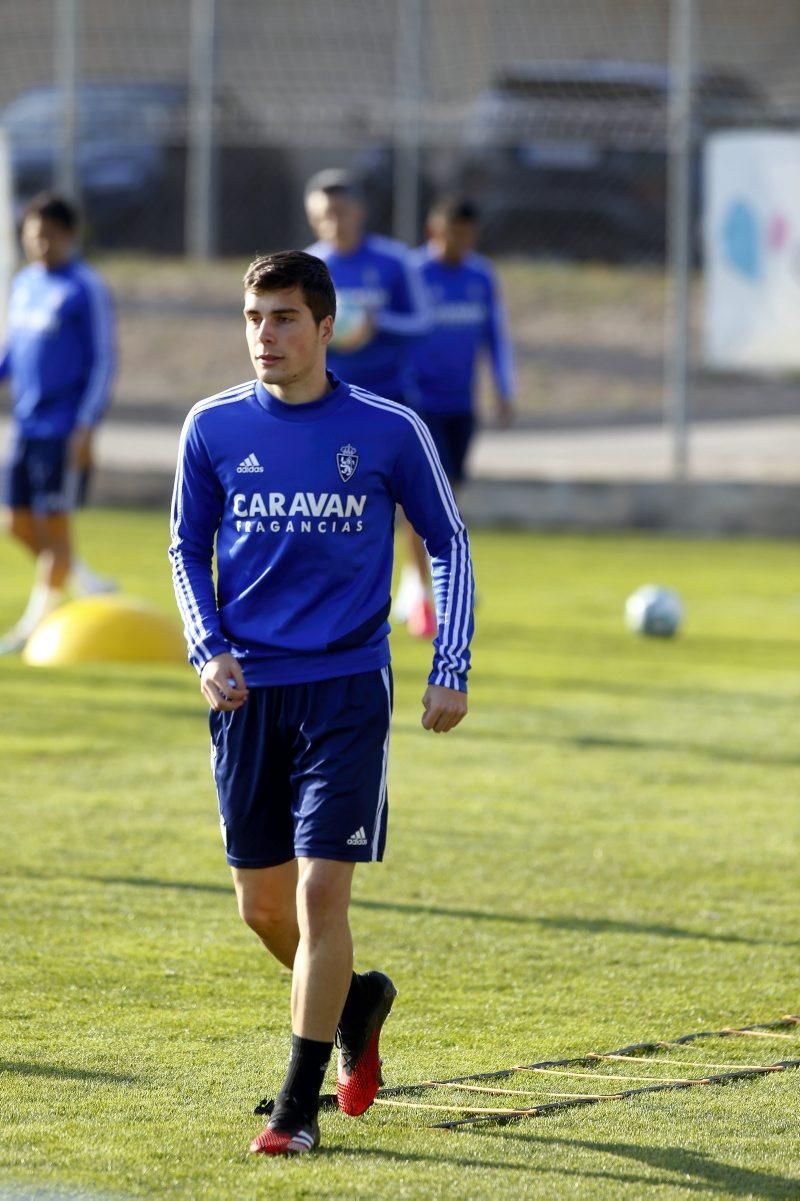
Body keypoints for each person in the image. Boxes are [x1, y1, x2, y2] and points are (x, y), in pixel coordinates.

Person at [169, 250, 474, 1157]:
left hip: (345, 688)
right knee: (265, 910)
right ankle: (358, 1004)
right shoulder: (212, 425)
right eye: (257, 318)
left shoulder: (387, 428)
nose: (268, 335)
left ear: (327, 326)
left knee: (319, 889)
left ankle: (296, 1109)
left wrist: (448, 661)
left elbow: (448, 540)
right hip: (246, 692)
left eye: (287, 318)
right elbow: (185, 548)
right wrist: (206, 647)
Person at [303, 168, 437, 638]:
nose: (333, 222)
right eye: (323, 215)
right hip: (328, 403)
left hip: (390, 400)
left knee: (408, 502)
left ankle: (421, 593)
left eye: (340, 211)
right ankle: (330, 597)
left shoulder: (394, 262)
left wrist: (376, 322)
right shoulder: (308, 268)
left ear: (358, 210)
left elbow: (422, 321)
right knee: (328, 503)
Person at [0, 192, 117, 653]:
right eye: (33, 237)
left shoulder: (84, 287)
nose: (40, 246)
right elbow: (14, 350)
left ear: (71, 235)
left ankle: (33, 627)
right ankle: (83, 580)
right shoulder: (26, 282)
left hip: (63, 427)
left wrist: (87, 426)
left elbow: (104, 361)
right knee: (16, 522)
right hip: (24, 424)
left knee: (55, 523)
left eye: (49, 236)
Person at [412, 196, 515, 489]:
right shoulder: (413, 272)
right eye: (452, 233)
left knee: (453, 484)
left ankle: (438, 538)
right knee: (430, 485)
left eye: (467, 234)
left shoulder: (481, 276)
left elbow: (495, 336)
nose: (459, 241)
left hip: (461, 400)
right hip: (420, 400)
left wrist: (504, 390)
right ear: (434, 231)